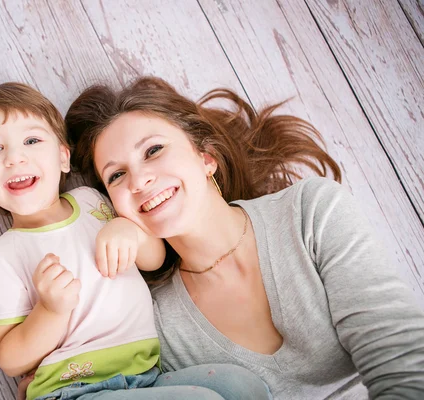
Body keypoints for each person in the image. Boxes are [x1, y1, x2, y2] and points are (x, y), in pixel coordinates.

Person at [65, 76, 424, 399]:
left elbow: (405, 365)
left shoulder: (309, 213)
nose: (139, 180)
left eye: (154, 150)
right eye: (116, 176)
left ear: (206, 158)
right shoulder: (157, 322)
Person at [0, 82, 271, 400]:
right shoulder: (4, 256)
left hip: (144, 378)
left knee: (242, 388)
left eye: (31, 140)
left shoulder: (91, 201)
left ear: (63, 158)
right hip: (74, 389)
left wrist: (131, 232)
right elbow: (9, 359)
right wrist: (51, 311)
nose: (14, 158)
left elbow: (152, 260)